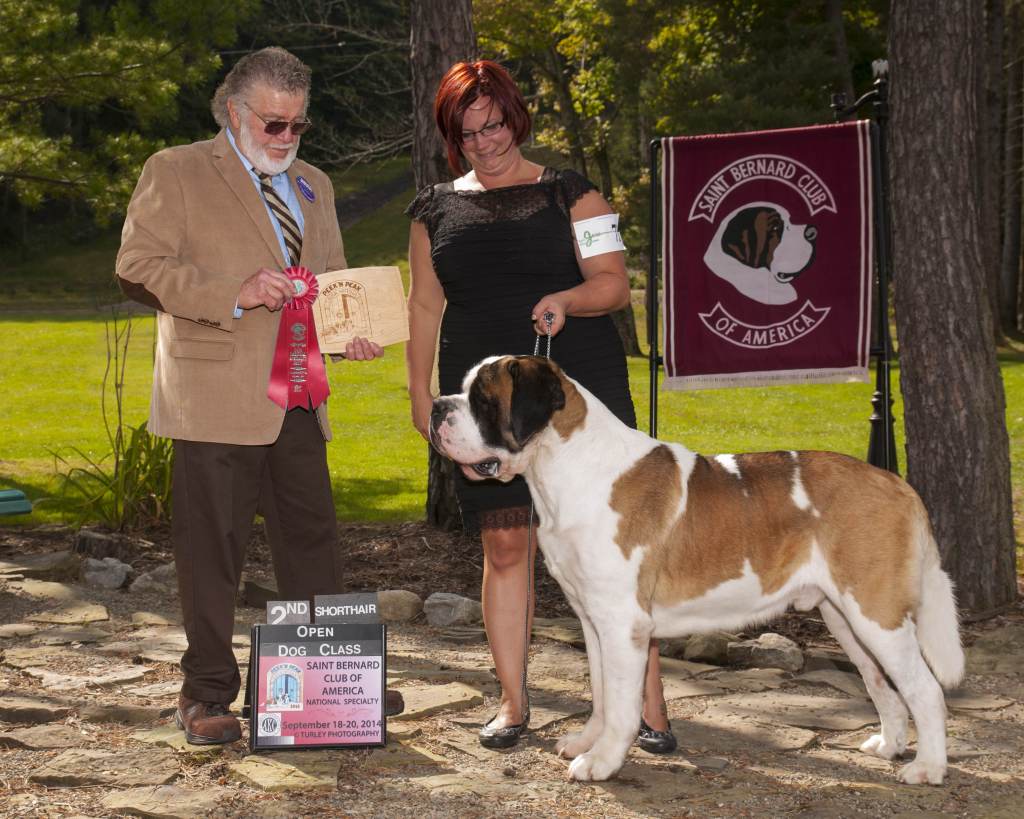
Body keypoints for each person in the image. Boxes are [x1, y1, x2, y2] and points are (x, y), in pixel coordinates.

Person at [116, 47, 400, 745]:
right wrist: (233, 293)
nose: (287, 137)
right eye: (275, 123)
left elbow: (330, 284)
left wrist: (351, 334)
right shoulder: (176, 170)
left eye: (299, 125)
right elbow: (136, 266)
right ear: (234, 113)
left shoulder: (314, 184)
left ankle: (327, 686)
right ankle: (206, 692)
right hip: (212, 394)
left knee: (313, 540)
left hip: (299, 392)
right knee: (212, 549)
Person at [405, 60, 676, 753]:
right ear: (452, 139)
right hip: (481, 407)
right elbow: (424, 307)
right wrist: (419, 396)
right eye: (468, 134)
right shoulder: (433, 210)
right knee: (504, 543)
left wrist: (567, 299)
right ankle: (512, 701)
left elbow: (613, 284)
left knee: (616, 551)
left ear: (515, 118)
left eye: (493, 125)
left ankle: (649, 707)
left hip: (572, 396)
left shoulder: (573, 194)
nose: (485, 142)